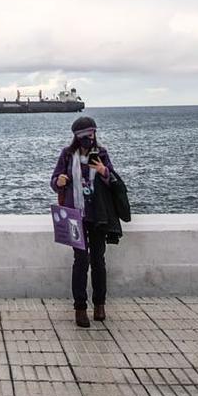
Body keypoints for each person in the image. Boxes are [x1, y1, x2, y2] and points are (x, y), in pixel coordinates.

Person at [52, 116, 128, 327]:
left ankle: (100, 305)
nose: (90, 138)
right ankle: (80, 308)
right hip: (75, 215)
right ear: (77, 137)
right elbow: (54, 179)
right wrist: (59, 181)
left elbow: (113, 180)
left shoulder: (101, 154)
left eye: (92, 134)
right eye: (85, 135)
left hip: (98, 214)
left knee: (98, 260)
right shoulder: (67, 155)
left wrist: (104, 172)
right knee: (80, 261)